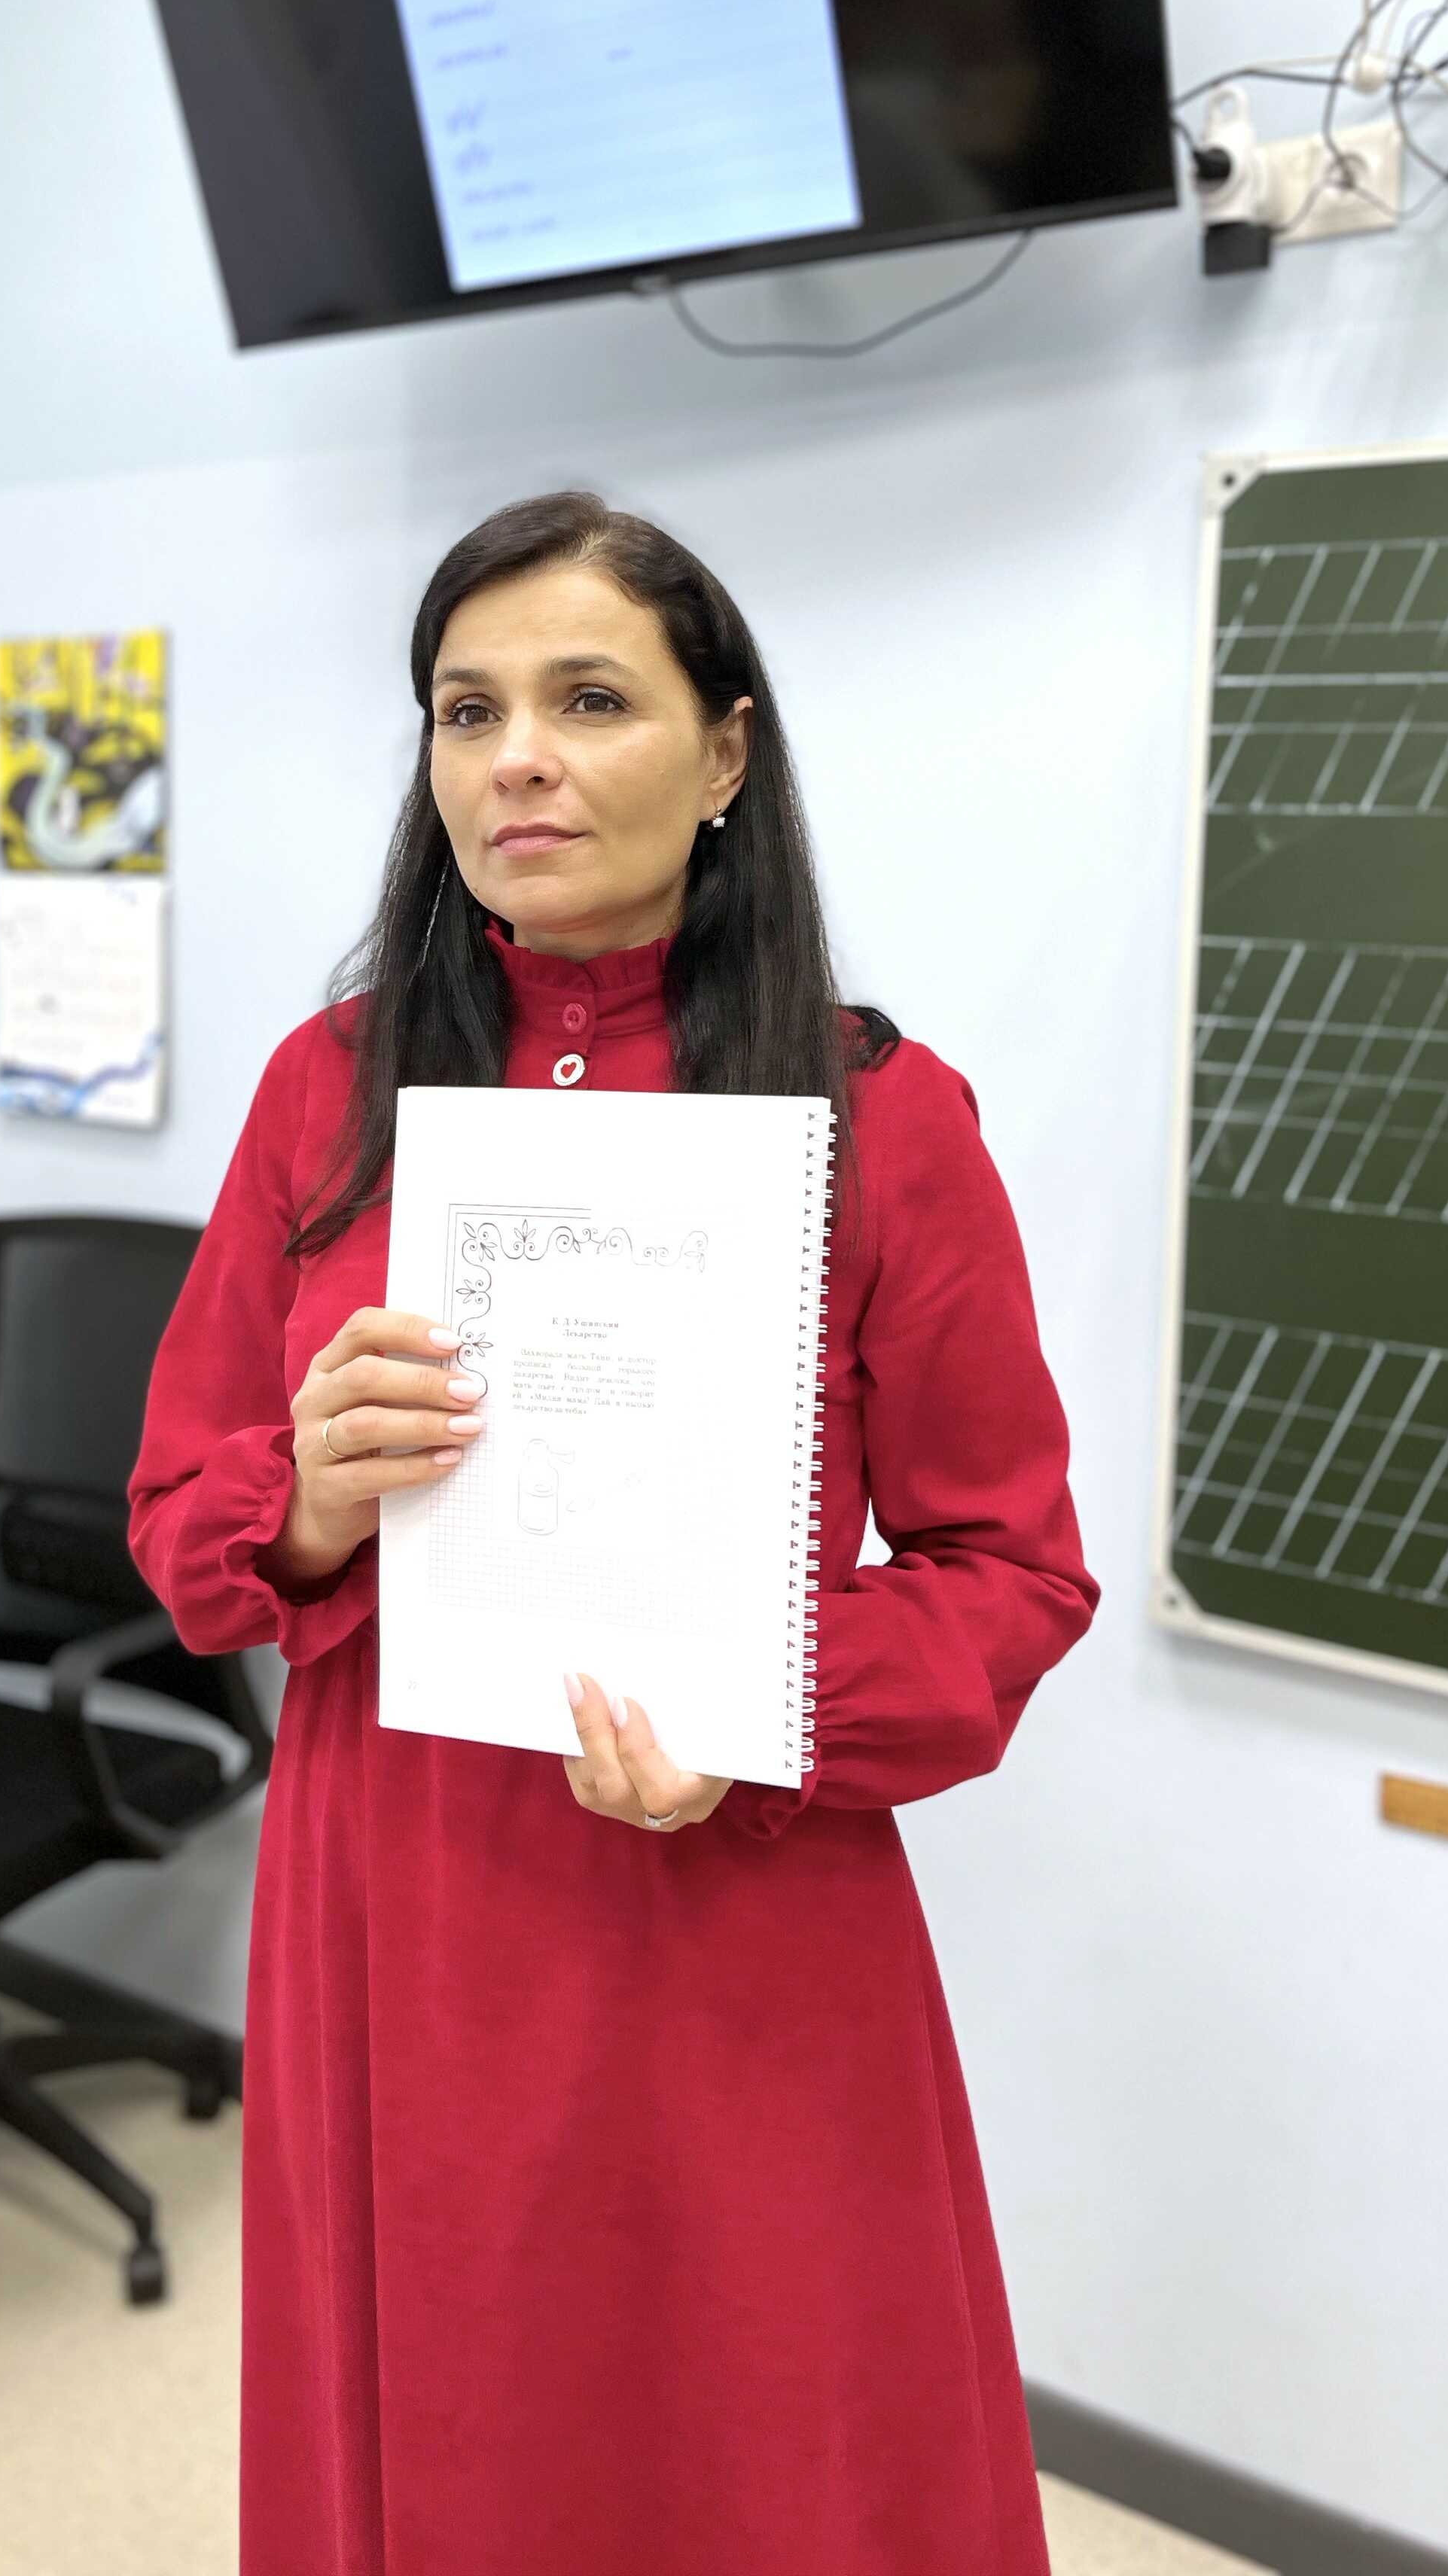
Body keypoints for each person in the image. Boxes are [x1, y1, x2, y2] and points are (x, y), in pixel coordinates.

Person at [127, 492, 1096, 2576]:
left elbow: (1012, 1571)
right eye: (466, 711)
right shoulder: (324, 1090)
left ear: (724, 750)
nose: (517, 762)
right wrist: (308, 1503)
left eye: (588, 700)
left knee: (750, 2429)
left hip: (725, 1889)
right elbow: (181, 1503)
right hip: (393, 1880)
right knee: (439, 2413)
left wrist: (758, 1701)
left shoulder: (881, 1117)